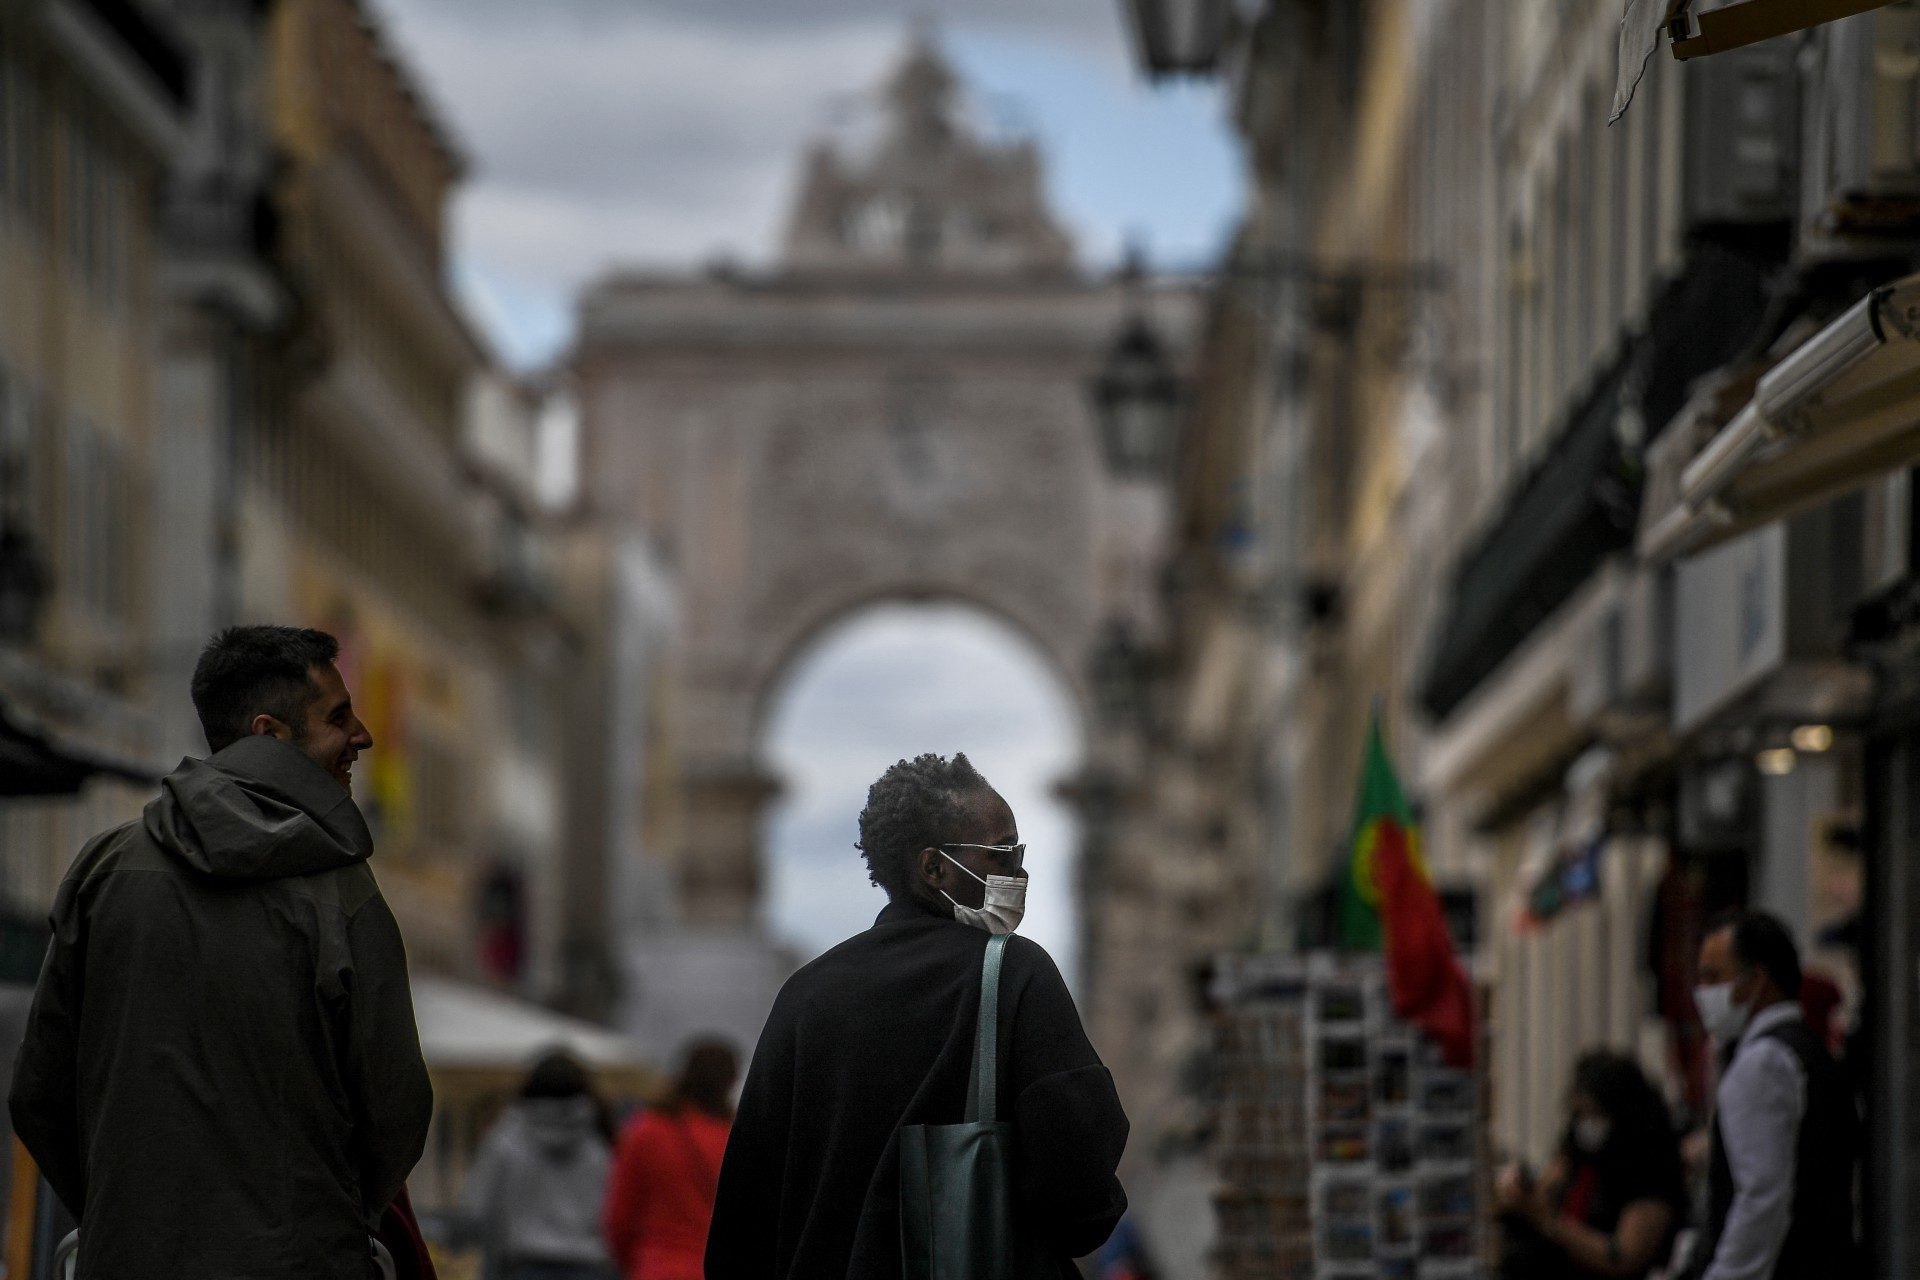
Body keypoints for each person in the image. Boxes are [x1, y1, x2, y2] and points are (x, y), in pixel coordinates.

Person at [8, 625, 431, 1280]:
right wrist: (333, 1219)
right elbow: (397, 1105)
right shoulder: (340, 893)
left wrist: (123, 1208)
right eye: (338, 717)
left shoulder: (105, 869)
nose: (363, 737)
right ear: (270, 733)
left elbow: (39, 1091)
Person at [705, 752, 1129, 1279]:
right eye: (1001, 854)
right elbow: (1077, 1168)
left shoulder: (805, 996)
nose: (1020, 871)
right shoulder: (1014, 973)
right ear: (935, 868)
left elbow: (748, 1207)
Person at [1685, 910, 1860, 1280]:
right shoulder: (1808, 1052)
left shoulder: (1761, 1064)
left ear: (1757, 980)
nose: (1703, 993)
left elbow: (1760, 1199)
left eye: (1714, 977)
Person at [1495, 1050, 1687, 1278]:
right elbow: (1547, 1188)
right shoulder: (1578, 1151)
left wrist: (1549, 1222)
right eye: (1580, 1114)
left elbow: (1622, 1256)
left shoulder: (1649, 1169)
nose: (1586, 1124)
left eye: (1593, 1114)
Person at [464, 1049, 618, 1280]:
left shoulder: (506, 1138)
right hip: (591, 1266)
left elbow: (477, 1208)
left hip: (523, 1266)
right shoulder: (600, 1141)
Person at [601, 1037, 738, 1280]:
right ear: (730, 1082)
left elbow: (619, 1218)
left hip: (654, 1267)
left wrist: (632, 1264)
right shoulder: (735, 1138)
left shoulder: (646, 1130)